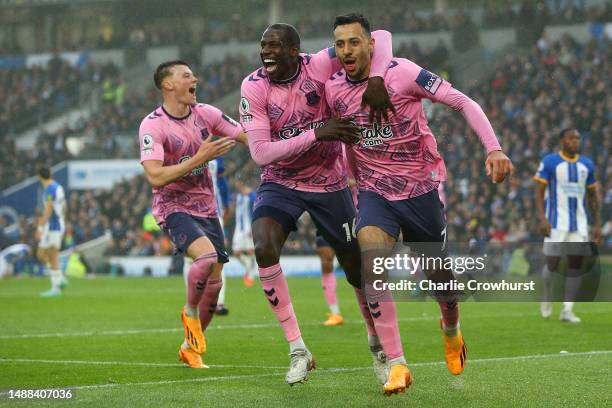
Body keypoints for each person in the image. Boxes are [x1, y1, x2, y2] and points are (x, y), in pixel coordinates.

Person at [325, 13, 513, 394]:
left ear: (371, 44)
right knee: (372, 263)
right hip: (376, 194)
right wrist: (348, 172)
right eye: (340, 43)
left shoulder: (404, 73)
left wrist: (493, 148)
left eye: (354, 42)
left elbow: (462, 101)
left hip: (421, 191)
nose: (346, 50)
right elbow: (344, 136)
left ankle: (451, 328)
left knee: (441, 282)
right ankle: (397, 364)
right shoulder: (333, 89)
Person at [240, 22, 398, 386]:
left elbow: (384, 37)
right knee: (263, 245)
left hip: (329, 180)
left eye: (275, 46)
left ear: (295, 50)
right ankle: (298, 350)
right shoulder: (254, 86)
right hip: (280, 181)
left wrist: (376, 78)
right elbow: (261, 153)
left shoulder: (321, 63)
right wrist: (317, 133)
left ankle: (376, 343)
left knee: (357, 271)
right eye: (263, 45)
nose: (266, 52)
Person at [139, 60, 247, 369]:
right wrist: (199, 158)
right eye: (186, 75)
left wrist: (279, 153)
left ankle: (189, 346)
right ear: (168, 85)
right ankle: (189, 311)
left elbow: (245, 136)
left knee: (215, 284)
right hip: (172, 206)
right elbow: (156, 177)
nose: (194, 79)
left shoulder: (207, 114)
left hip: (207, 208)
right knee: (206, 258)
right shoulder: (153, 125)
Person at [534, 128, 600, 323]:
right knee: (552, 263)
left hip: (579, 224)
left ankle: (567, 310)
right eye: (571, 138)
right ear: (562, 140)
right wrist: (542, 218)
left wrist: (596, 223)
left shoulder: (586, 165)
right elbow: (539, 192)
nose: (575, 142)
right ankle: (547, 295)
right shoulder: (550, 162)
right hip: (556, 222)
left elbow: (592, 197)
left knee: (576, 265)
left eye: (578, 138)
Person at [36, 166, 68, 297]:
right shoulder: (58, 186)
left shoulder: (49, 189)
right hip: (57, 223)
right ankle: (60, 279)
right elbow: (64, 207)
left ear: (39, 176)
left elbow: (49, 210)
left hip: (53, 225)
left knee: (51, 255)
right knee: (42, 254)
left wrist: (40, 227)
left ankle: (56, 288)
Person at [231, 180, 258, 287]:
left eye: (238, 183)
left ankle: (251, 275)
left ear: (242, 183)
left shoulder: (252, 195)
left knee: (250, 251)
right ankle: (249, 268)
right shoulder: (237, 196)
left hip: (248, 227)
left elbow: (255, 211)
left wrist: (254, 227)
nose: (236, 185)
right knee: (236, 252)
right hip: (238, 229)